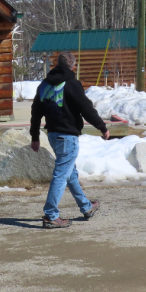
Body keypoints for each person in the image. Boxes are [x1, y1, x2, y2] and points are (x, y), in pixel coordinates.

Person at [30, 51, 109, 229]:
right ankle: (50, 215)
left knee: (69, 173)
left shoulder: (44, 85)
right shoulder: (72, 84)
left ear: (56, 64)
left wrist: (35, 136)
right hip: (68, 137)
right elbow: (86, 109)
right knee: (61, 174)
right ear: (73, 65)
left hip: (53, 135)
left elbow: (35, 113)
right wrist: (102, 127)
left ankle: (86, 207)